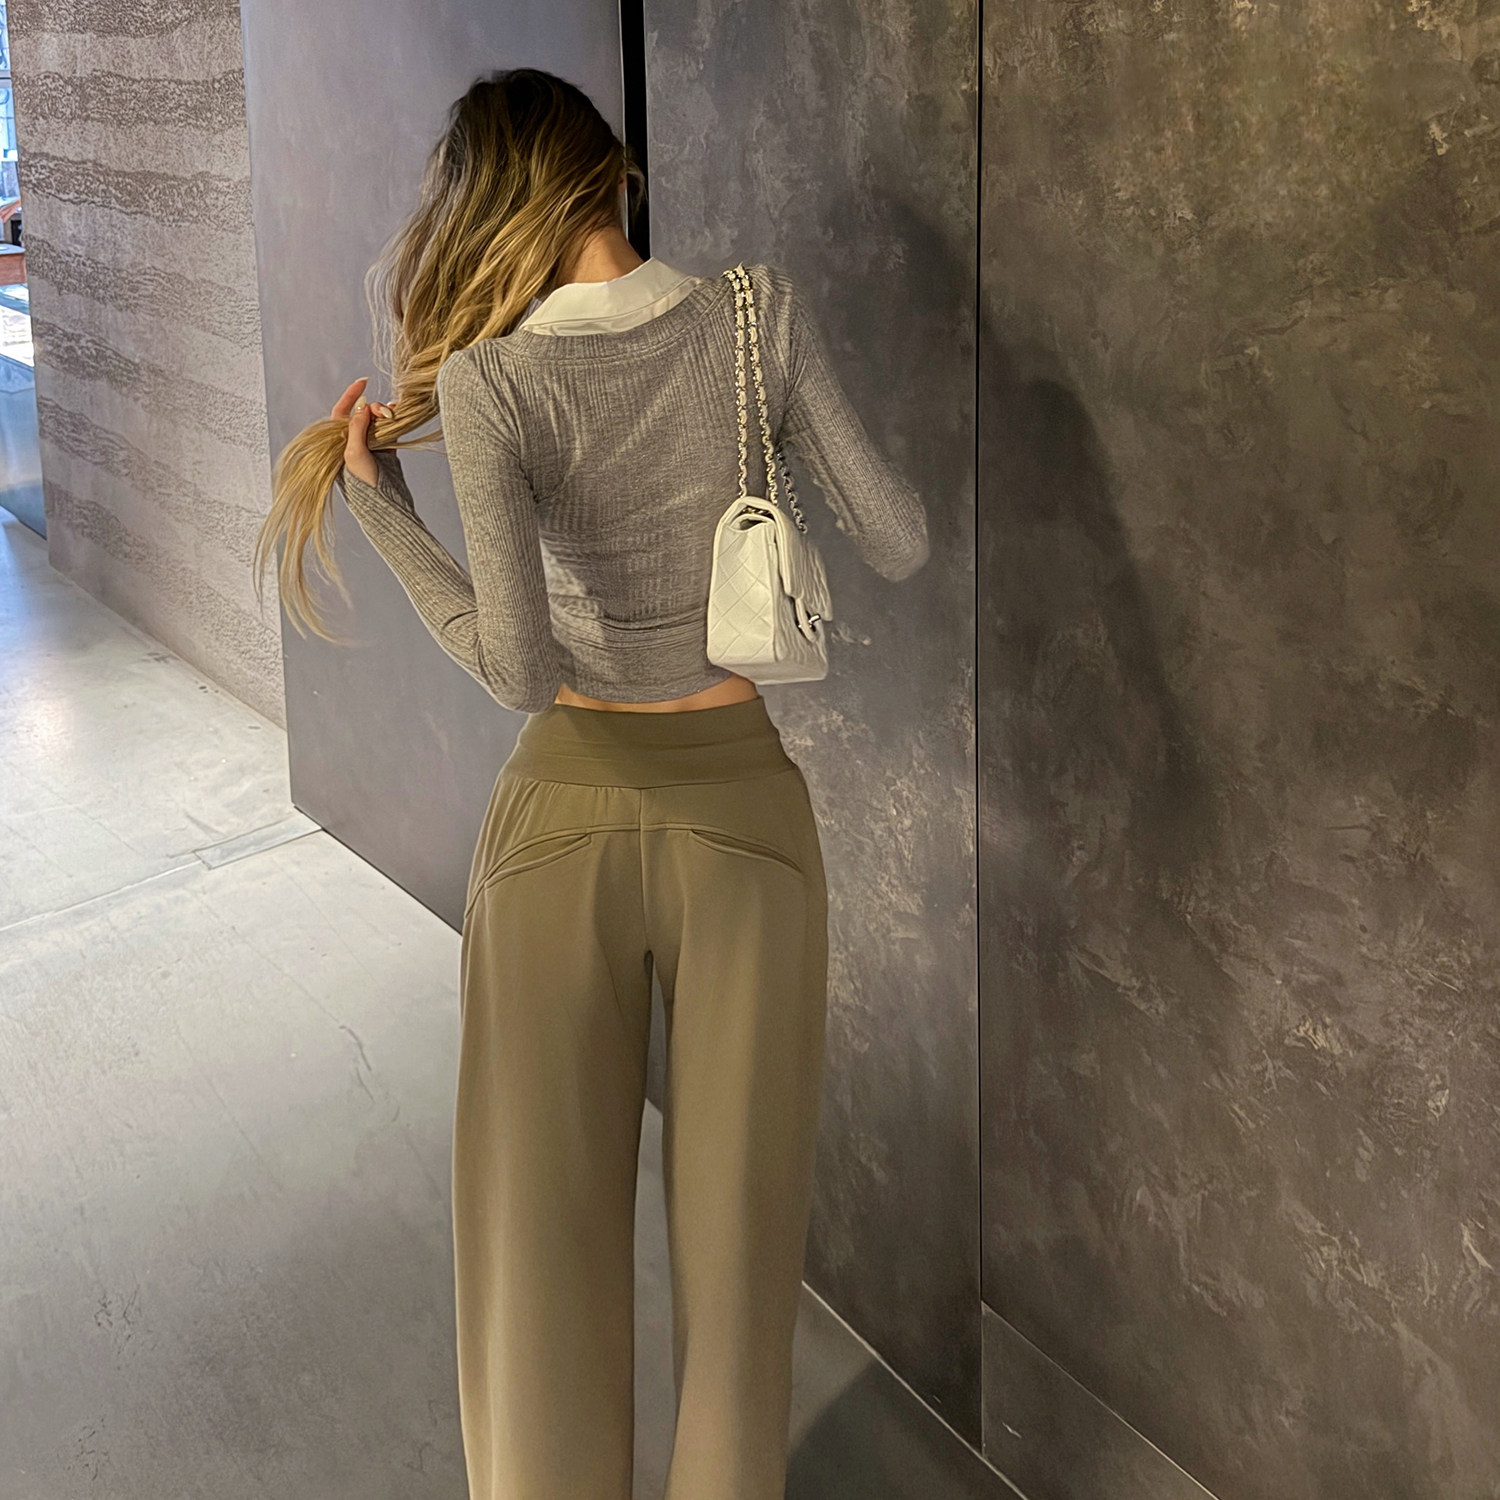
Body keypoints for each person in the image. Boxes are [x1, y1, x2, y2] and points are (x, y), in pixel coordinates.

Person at [252, 65, 929, 1500]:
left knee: (538, 1253)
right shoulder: (756, 317)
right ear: (608, 174)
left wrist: (383, 510)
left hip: (560, 818)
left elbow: (513, 668)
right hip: (744, 818)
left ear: (493, 199)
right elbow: (899, 537)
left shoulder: (495, 382)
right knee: (742, 1266)